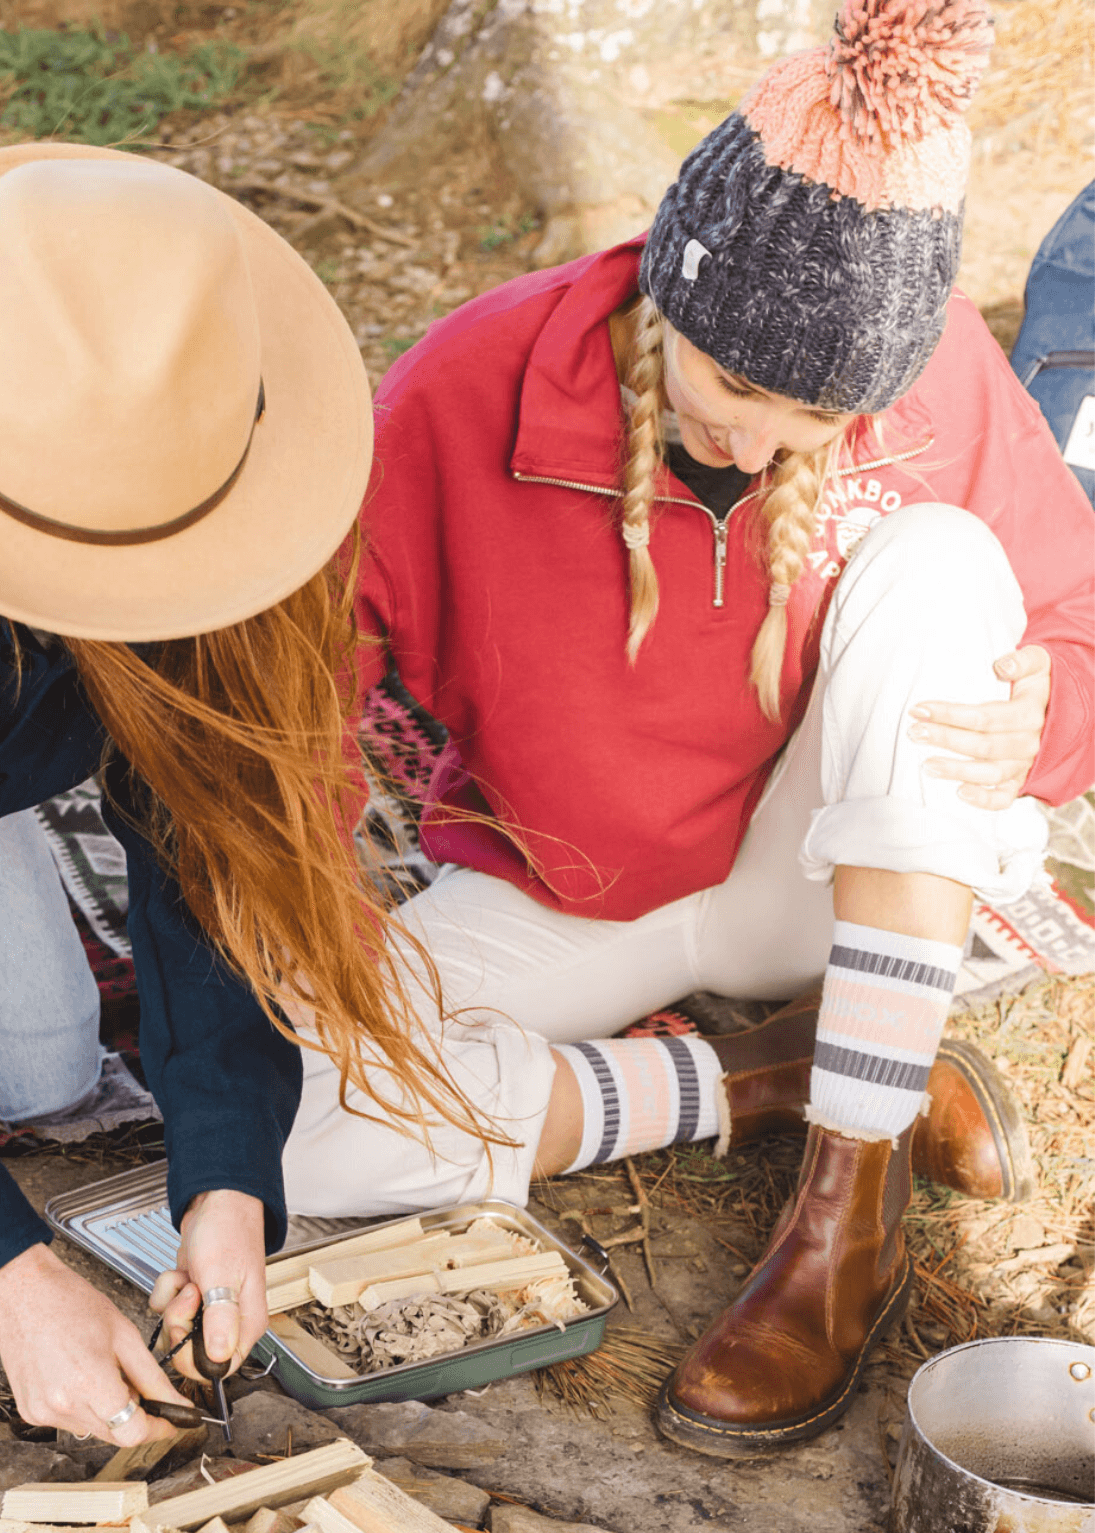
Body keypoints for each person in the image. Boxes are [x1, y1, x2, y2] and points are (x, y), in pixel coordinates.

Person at [277, 0, 1095, 1457]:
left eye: (815, 415)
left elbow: (1073, 629)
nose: (760, 442)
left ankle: (846, 1216)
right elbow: (314, 681)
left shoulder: (941, 381)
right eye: (733, 388)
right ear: (668, 299)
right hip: (571, 885)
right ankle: (778, 1076)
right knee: (306, 1124)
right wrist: (297, 892)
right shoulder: (465, 384)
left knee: (947, 566)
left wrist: (1038, 702)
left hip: (823, 879)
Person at [0, 143, 477, 1445]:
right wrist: (14, 1281)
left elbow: (207, 845)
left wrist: (225, 1173)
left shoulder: (165, 440)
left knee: (36, 1070)